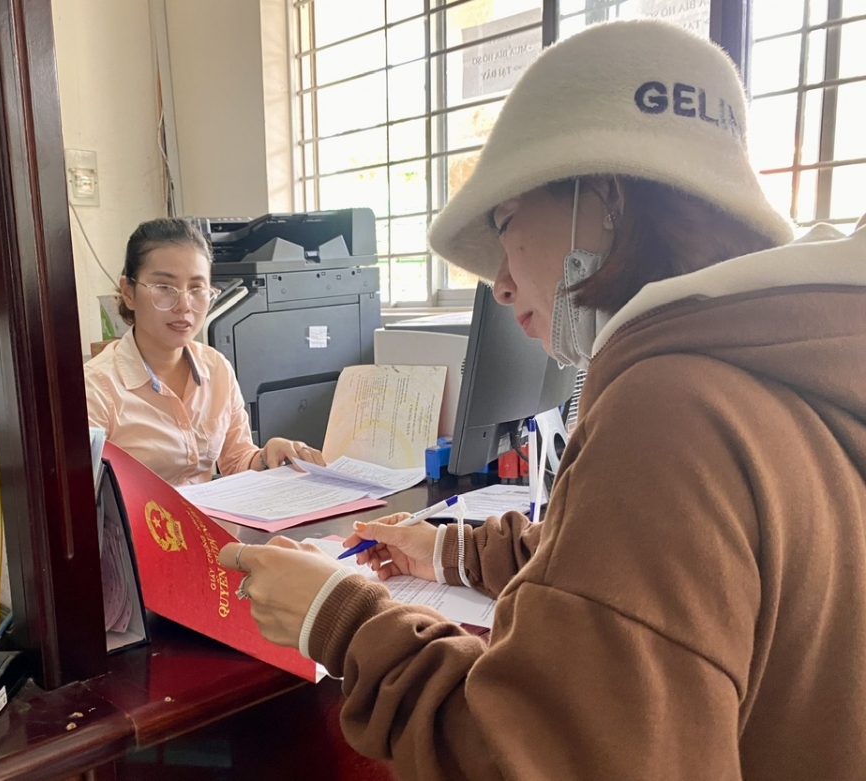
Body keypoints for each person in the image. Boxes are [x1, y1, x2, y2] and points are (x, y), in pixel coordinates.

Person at [218, 19, 866, 781]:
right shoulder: (795, 367)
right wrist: (452, 550)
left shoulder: (672, 408)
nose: (497, 281)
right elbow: (652, 576)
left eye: (504, 225)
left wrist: (338, 614)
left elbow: (540, 759)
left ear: (606, 196)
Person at [85, 218, 325, 486]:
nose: (184, 305)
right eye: (164, 288)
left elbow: (235, 462)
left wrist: (268, 455)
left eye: (197, 288)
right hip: (141, 526)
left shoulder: (215, 367)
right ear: (128, 293)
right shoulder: (96, 389)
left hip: (208, 523)